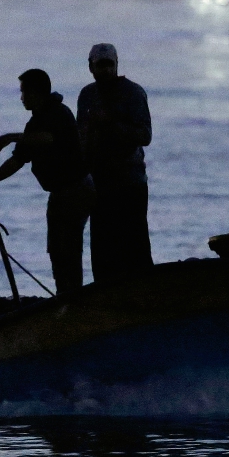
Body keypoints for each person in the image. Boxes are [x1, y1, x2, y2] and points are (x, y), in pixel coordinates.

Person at [0, 68, 94, 295]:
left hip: (75, 190)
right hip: (61, 193)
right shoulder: (34, 123)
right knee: (58, 251)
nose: (21, 97)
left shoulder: (58, 113)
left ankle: (72, 300)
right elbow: (16, 162)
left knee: (67, 250)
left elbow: (48, 138)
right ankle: (66, 296)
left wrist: (9, 137)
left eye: (24, 92)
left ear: (37, 92)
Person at [76, 43, 153, 283]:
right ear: (91, 67)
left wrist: (111, 123)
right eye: (101, 65)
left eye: (110, 64)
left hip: (129, 182)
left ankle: (144, 292)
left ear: (117, 64)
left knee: (135, 246)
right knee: (102, 248)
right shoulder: (87, 95)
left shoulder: (133, 93)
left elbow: (145, 135)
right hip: (98, 183)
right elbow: (81, 136)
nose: (106, 70)